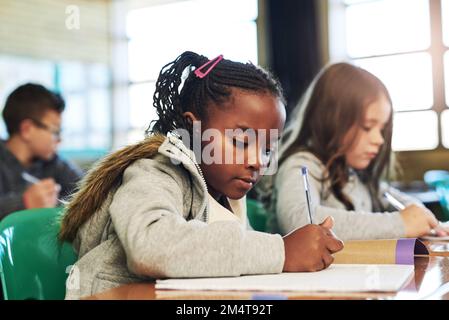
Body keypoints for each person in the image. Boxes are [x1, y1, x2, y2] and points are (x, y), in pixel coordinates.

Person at [59, 51, 344, 299]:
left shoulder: (225, 196)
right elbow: (151, 247)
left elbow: (233, 259)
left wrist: (299, 248)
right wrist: (281, 250)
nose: (258, 161)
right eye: (242, 142)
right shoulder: (155, 173)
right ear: (193, 129)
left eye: (267, 149)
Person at [270, 62, 449, 241]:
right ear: (331, 119)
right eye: (367, 127)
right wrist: (398, 224)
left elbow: (399, 201)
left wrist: (426, 220)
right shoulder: (300, 164)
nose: (379, 140)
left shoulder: (356, 174)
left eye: (382, 129)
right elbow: (300, 221)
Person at [0, 83, 83, 218]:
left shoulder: (53, 163)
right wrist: (24, 202)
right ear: (27, 129)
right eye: (55, 131)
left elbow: (85, 187)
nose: (59, 139)